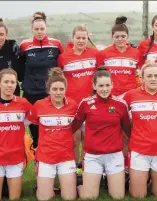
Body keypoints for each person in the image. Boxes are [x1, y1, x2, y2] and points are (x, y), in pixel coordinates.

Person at [72, 67, 131, 199]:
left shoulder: (121, 105)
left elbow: (128, 130)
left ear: (112, 85)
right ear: (94, 86)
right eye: (101, 85)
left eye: (107, 85)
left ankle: (108, 180)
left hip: (114, 155)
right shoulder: (85, 104)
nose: (104, 89)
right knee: (89, 197)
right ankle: (81, 186)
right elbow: (73, 127)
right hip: (93, 156)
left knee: (118, 196)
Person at [27, 68, 78, 200]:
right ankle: (45, 187)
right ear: (48, 90)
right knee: (44, 198)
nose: (58, 92)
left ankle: (80, 185)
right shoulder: (39, 105)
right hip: (45, 157)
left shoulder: (72, 105)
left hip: (66, 156)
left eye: (61, 89)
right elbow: (26, 122)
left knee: (69, 197)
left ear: (65, 90)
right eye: (54, 89)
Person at [122, 61, 157, 198]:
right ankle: (139, 179)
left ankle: (149, 179)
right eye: (149, 76)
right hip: (139, 149)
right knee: (138, 195)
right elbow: (119, 115)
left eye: (156, 75)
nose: (153, 79)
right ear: (142, 78)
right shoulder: (131, 95)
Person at [0, 68, 32, 201]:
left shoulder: (23, 103)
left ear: (16, 84)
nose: (9, 85)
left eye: (13, 82)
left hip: (16, 157)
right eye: (6, 82)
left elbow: (32, 119)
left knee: (15, 198)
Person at [19, 16, 64, 151]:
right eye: (36, 29)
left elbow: (62, 63)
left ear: (46, 29)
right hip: (31, 92)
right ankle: (38, 155)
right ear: (32, 29)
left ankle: (53, 152)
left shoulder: (56, 44)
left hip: (49, 92)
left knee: (50, 125)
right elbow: (20, 66)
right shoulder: (24, 46)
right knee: (34, 126)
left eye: (42, 29)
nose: (39, 31)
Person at [58, 24, 98, 167]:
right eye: (78, 38)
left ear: (88, 38)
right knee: (74, 140)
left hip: (90, 103)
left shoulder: (95, 54)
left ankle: (88, 169)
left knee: (88, 140)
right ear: (73, 38)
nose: (81, 41)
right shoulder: (63, 57)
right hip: (72, 104)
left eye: (84, 38)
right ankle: (74, 170)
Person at [96, 16, 141, 99]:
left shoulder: (136, 53)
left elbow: (142, 73)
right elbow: (99, 75)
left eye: (123, 36)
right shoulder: (103, 53)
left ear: (127, 36)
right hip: (110, 95)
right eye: (117, 37)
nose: (120, 39)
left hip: (130, 95)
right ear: (112, 37)